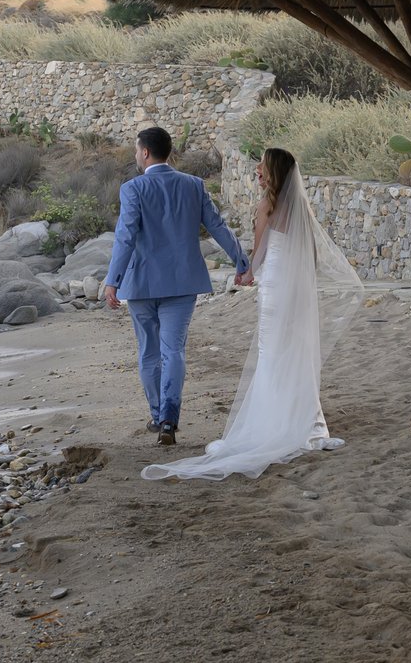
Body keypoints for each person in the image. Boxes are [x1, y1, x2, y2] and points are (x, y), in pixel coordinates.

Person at [144, 146, 360, 482]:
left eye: (261, 165)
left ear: (273, 172)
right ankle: (308, 425)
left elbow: (257, 255)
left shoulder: (267, 206)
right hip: (296, 287)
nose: (257, 169)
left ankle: (272, 425)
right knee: (294, 351)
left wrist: (244, 275)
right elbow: (310, 254)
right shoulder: (300, 207)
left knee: (271, 352)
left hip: (274, 286)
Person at [102, 125, 251, 445]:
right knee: (174, 351)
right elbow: (218, 227)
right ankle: (170, 419)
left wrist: (112, 281)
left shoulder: (133, 189)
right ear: (169, 151)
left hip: (141, 285)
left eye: (135, 150)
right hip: (183, 283)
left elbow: (125, 238)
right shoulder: (193, 185)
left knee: (149, 353)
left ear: (144, 152)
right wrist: (242, 263)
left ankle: (157, 416)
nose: (136, 155)